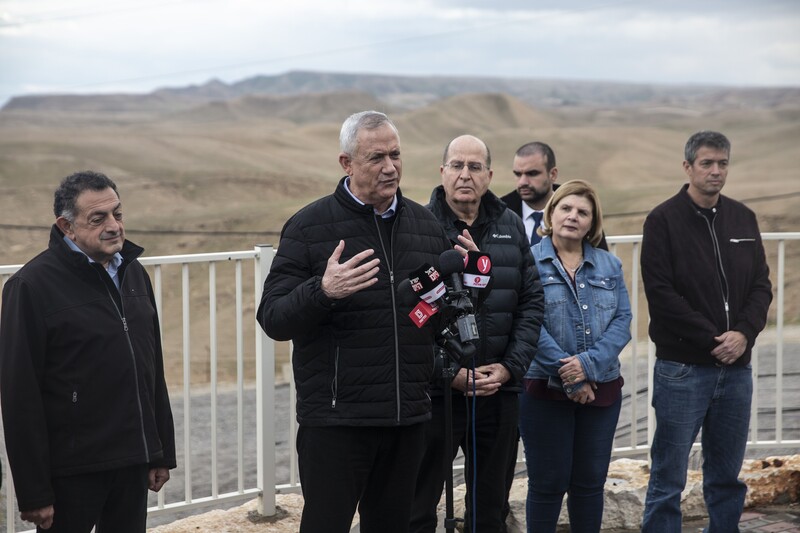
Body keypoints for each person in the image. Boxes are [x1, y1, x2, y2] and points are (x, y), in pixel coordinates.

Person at [256, 111, 454, 533]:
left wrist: (470, 281)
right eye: (376, 157)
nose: (390, 167)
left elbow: (438, 316)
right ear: (346, 163)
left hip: (406, 419)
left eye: (396, 154)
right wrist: (323, 291)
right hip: (337, 424)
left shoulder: (426, 226)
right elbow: (273, 317)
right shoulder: (310, 227)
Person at [0, 171, 176, 533]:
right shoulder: (30, 287)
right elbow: (20, 397)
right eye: (98, 218)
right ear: (67, 226)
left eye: (118, 214)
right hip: (72, 472)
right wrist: (34, 491)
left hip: (132, 461)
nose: (113, 226)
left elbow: (151, 369)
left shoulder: (133, 274)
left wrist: (159, 452)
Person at [410, 134, 544, 533]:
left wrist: (509, 368)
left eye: (474, 167)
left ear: (489, 175)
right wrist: (448, 372)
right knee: (418, 505)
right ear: (442, 172)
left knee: (489, 509)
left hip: (497, 391)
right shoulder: (417, 227)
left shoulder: (509, 225)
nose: (464, 175)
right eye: (456, 165)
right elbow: (410, 315)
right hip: (437, 395)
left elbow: (532, 302)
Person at [640, 131, 773, 532]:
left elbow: (761, 286)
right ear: (688, 167)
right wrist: (715, 339)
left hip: (736, 370)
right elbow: (661, 293)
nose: (715, 171)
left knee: (727, 476)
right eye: (707, 163)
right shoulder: (662, 220)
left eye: (722, 164)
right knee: (669, 477)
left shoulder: (743, 218)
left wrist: (744, 334)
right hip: (683, 369)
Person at [519, 179, 632, 532]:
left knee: (588, 484)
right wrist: (571, 376)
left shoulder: (609, 265)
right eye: (566, 208)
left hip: (601, 389)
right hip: (543, 390)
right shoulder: (529, 261)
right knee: (547, 484)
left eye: (583, 212)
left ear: (592, 222)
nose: (573, 216)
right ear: (551, 213)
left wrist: (586, 367)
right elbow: (528, 322)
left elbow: (623, 320)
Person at [501, 142, 608, 250]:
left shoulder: (579, 209)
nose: (522, 182)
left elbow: (601, 260)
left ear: (553, 174)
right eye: (518, 174)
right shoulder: (499, 212)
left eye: (532, 173)